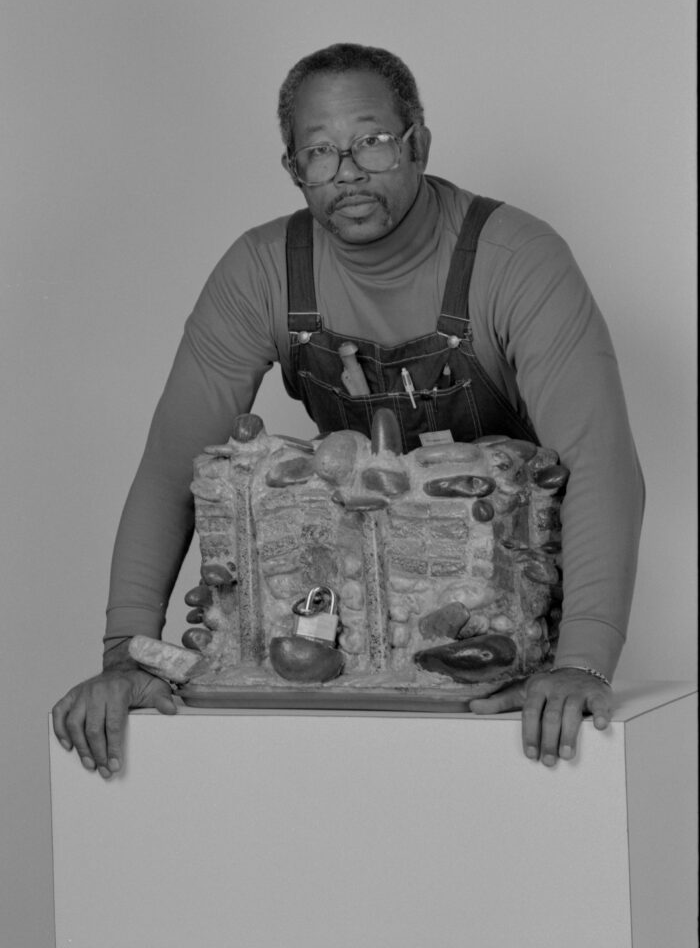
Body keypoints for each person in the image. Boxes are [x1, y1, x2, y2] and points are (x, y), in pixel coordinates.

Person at [52, 43, 644, 778]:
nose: (348, 170)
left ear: (418, 144)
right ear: (294, 169)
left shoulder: (515, 257)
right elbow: (172, 469)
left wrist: (583, 661)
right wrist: (125, 654)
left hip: (502, 651)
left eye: (371, 141)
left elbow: (601, 462)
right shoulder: (262, 270)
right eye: (321, 151)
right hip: (344, 636)